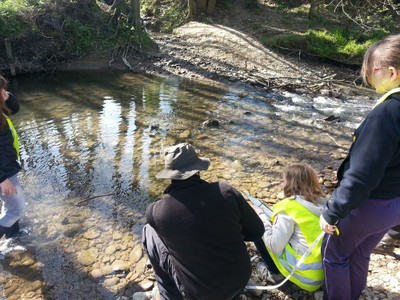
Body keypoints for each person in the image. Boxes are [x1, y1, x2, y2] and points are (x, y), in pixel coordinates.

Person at [319, 34, 400, 300]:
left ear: (391, 72)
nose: (367, 75)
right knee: (361, 251)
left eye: (370, 69)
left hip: (372, 204)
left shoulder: (386, 114)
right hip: (395, 206)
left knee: (334, 254)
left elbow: (362, 176)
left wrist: (332, 212)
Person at [142, 143, 264, 300]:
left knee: (149, 231)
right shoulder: (225, 191)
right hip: (240, 280)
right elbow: (256, 232)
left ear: (170, 175)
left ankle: (170, 296)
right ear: (198, 169)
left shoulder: (157, 211)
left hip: (199, 294)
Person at [253, 163, 326, 292]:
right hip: (325, 272)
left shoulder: (288, 207)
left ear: (290, 183)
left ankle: (276, 275)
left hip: (307, 277)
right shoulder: (324, 202)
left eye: (284, 180)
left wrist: (261, 216)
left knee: (258, 228)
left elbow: (274, 245)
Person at [0, 75, 26, 238]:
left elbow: (15, 108)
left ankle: (13, 238)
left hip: (8, 165)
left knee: (10, 207)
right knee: (17, 209)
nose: (4, 92)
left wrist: (6, 96)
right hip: (3, 172)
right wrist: (2, 179)